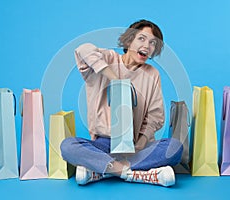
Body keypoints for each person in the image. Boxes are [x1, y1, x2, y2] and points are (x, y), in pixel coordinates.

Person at [61, 19, 183, 187]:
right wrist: (115, 78)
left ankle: (101, 171)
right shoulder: (108, 58)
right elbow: (82, 49)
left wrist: (139, 145)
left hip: (134, 146)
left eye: (153, 43)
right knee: (68, 146)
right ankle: (136, 174)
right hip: (103, 144)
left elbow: (156, 116)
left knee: (175, 147)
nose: (147, 46)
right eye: (141, 38)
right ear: (128, 40)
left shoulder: (152, 74)